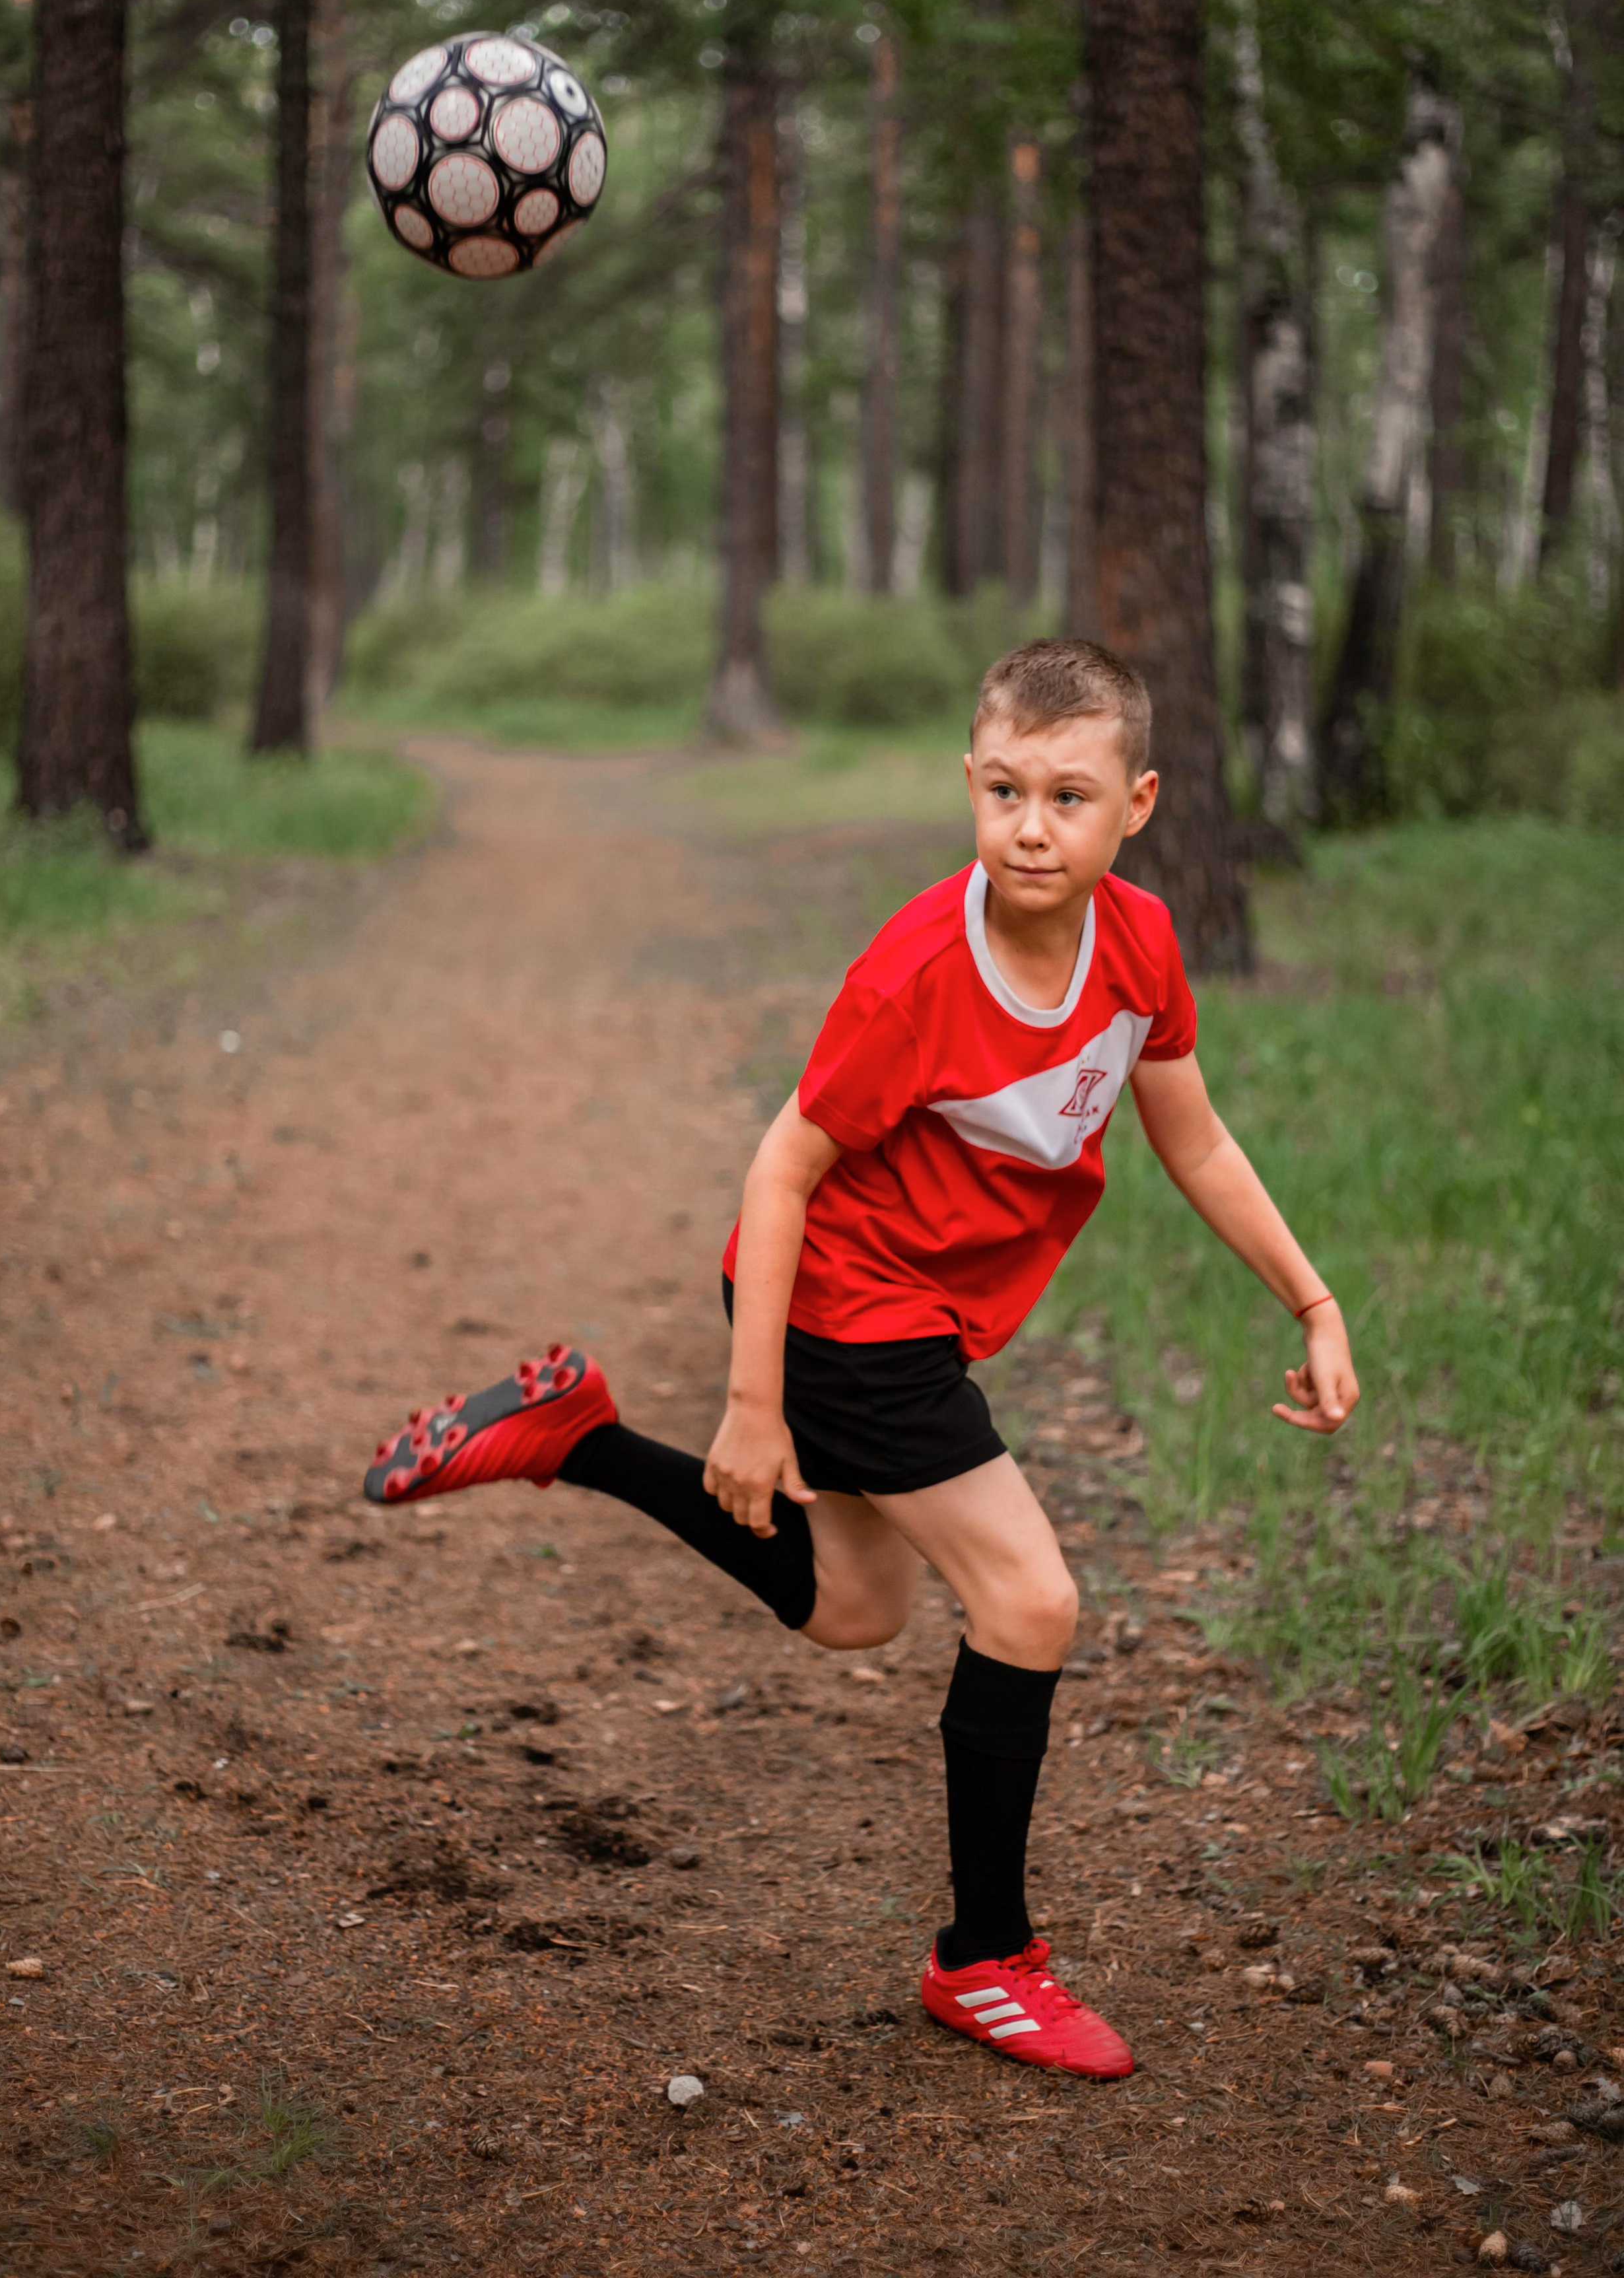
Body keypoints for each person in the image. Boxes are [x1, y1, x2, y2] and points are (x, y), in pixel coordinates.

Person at [362, 639, 1359, 2078]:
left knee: (848, 1611)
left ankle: (574, 1435)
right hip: (842, 1307)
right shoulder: (913, 976)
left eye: (1066, 798)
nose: (1029, 825)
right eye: (1003, 788)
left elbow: (1189, 1138)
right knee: (1029, 1600)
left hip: (914, 1319)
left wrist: (1311, 1302)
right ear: (966, 781)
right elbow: (780, 1171)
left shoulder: (1138, 942)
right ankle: (985, 1962)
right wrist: (752, 1408)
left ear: (1134, 805)